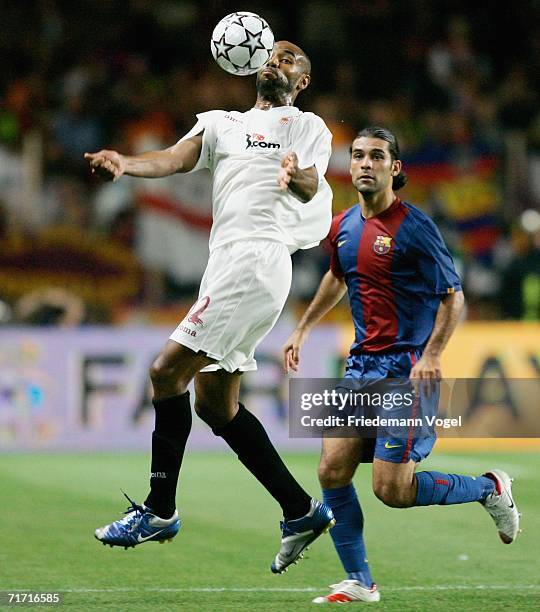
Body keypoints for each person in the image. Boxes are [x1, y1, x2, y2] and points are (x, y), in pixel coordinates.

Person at [85, 41, 335, 574]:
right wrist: (126, 163)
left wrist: (297, 175)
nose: (277, 62)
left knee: (165, 371)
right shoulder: (221, 122)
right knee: (216, 406)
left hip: (257, 260)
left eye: (290, 58)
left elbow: (315, 185)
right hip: (225, 262)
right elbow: (175, 159)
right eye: (272, 56)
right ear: (252, 67)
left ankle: (159, 510)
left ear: (303, 81)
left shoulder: (307, 128)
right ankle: (300, 511)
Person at [283, 126, 521, 603]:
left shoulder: (415, 227)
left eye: (376, 156)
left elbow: (455, 300)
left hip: (406, 370)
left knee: (391, 489)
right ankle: (360, 582)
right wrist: (303, 327)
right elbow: (338, 276)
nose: (365, 163)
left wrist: (432, 355)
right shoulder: (344, 224)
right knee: (331, 470)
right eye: (357, 155)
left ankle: (488, 487)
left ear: (396, 168)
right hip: (359, 368)